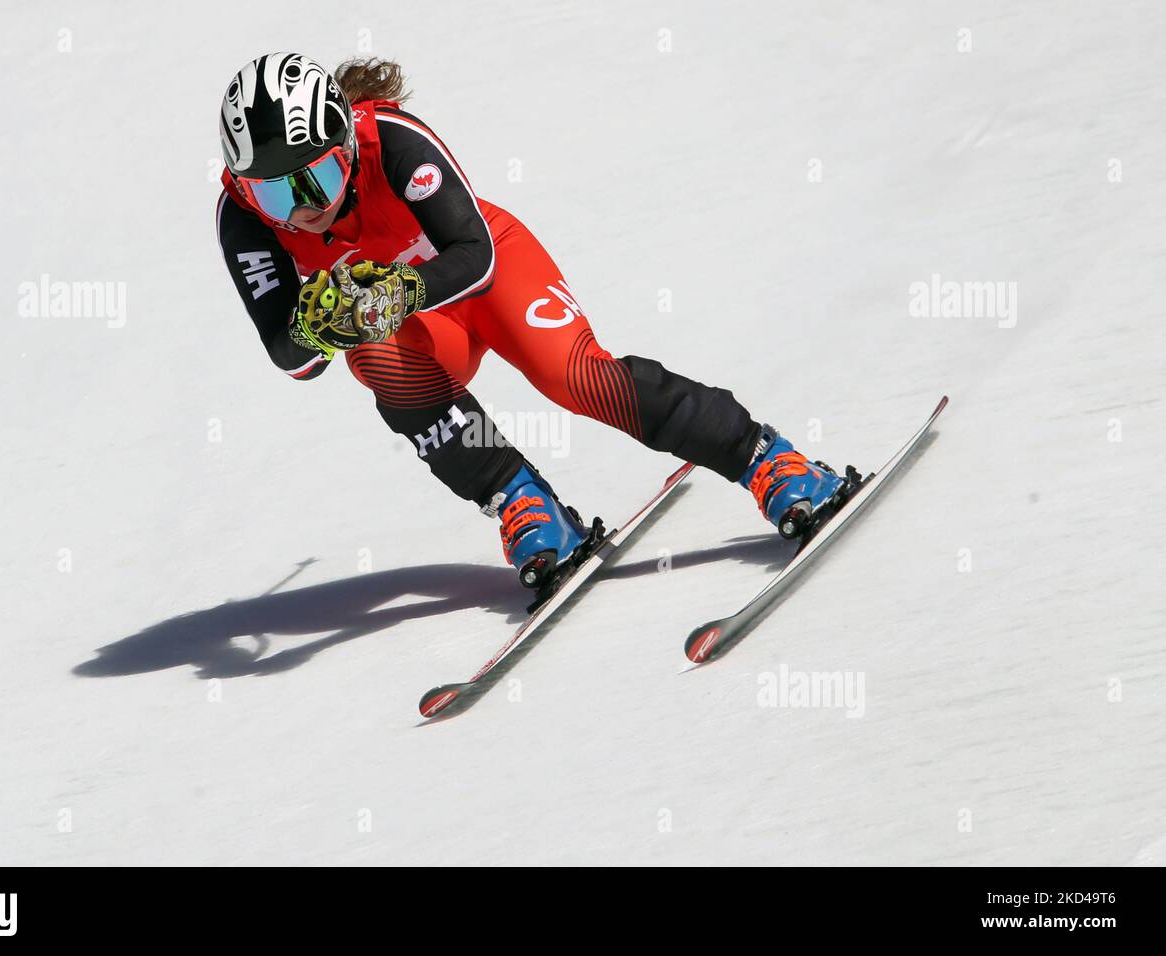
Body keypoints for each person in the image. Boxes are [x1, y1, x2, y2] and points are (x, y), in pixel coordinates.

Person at [215, 53, 849, 591]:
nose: (304, 212)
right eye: (275, 194)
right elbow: (289, 357)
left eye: (318, 178)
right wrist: (317, 328)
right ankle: (521, 498)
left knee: (572, 377)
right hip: (426, 327)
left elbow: (475, 256)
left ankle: (766, 459)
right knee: (371, 355)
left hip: (484, 274)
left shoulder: (394, 141)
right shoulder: (242, 217)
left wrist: (400, 290)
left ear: (347, 147)